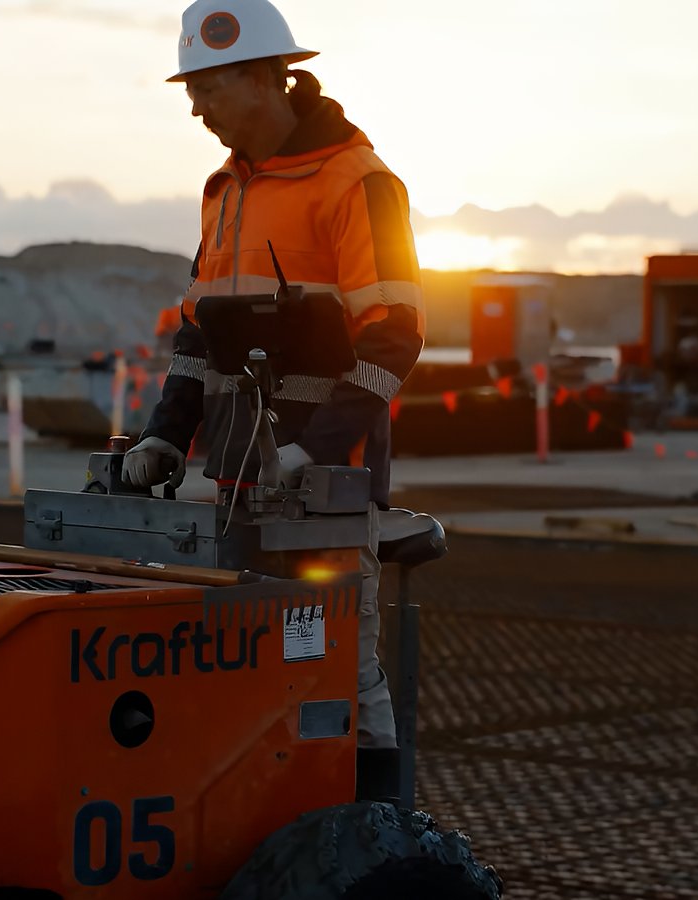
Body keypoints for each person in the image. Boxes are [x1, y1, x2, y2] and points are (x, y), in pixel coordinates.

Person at [122, 0, 425, 799]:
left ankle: (377, 840)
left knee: (339, 669)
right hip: (231, 489)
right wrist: (163, 437)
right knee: (237, 672)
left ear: (265, 77)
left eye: (208, 87)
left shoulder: (357, 183)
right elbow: (198, 339)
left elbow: (394, 338)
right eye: (190, 88)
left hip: (322, 493)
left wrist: (311, 450)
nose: (195, 107)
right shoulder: (224, 191)